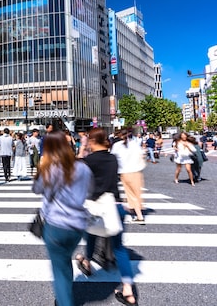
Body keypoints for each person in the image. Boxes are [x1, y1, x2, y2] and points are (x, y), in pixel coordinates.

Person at [77, 127, 138, 306]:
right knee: (119, 248)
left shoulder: (88, 161)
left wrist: (82, 149)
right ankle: (128, 290)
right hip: (115, 206)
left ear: (92, 141)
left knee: (90, 235)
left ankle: (87, 262)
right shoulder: (113, 159)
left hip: (94, 207)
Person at [32, 131, 92, 306]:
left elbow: (37, 189)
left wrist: (41, 167)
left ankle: (65, 300)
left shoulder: (50, 168)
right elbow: (90, 189)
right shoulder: (82, 167)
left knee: (59, 267)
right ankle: (64, 295)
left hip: (55, 225)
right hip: (77, 225)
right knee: (64, 260)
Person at [110, 128, 147, 223]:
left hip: (125, 171)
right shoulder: (134, 144)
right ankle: (137, 213)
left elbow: (113, 157)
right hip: (137, 171)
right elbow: (142, 155)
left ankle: (138, 214)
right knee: (137, 193)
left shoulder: (117, 145)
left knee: (130, 193)